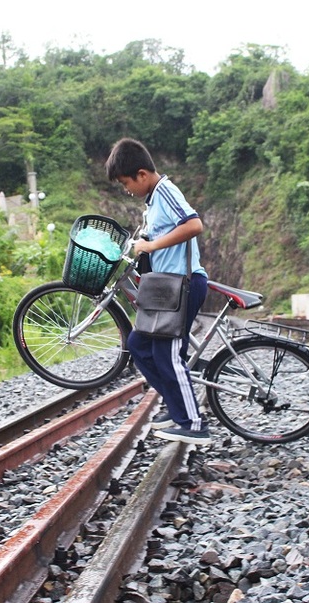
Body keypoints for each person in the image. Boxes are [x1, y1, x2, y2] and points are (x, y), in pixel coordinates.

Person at [105, 138, 211, 445]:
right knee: (138, 345)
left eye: (126, 183)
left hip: (181, 284)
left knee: (168, 353)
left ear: (141, 174)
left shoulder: (165, 190)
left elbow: (194, 225)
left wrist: (150, 245)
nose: (127, 190)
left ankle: (192, 423)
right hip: (165, 286)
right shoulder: (153, 202)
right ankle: (178, 407)